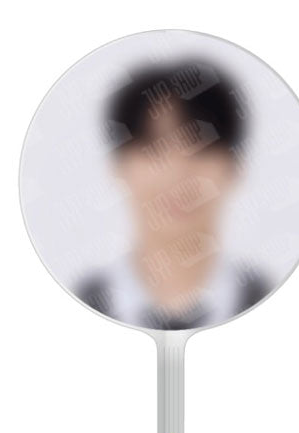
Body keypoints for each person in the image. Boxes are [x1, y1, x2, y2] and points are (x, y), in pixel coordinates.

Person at [74, 59, 270, 330]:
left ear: (236, 167)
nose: (176, 173)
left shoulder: (272, 303)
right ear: (118, 167)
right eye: (153, 147)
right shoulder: (74, 307)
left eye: (201, 146)